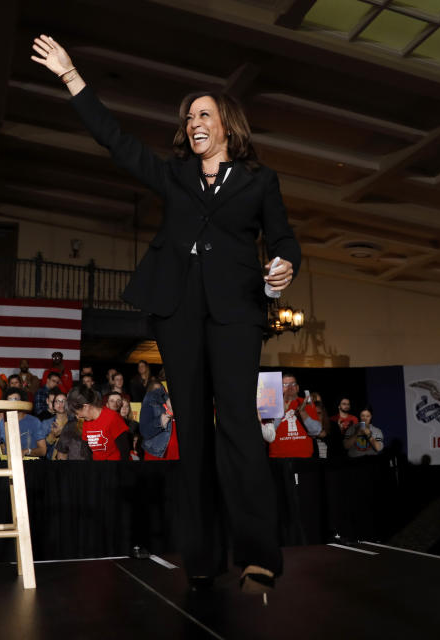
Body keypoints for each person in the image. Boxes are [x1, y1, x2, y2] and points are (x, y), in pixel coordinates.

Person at [33, 34, 300, 593]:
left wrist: (283, 268)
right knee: (192, 436)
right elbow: (117, 142)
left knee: (239, 427)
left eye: (205, 113)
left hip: (235, 314)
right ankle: (201, 558)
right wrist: (71, 78)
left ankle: (259, 555)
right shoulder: (176, 175)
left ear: (227, 124)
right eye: (189, 116)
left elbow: (283, 240)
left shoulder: (259, 180)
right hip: (178, 313)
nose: (194, 121)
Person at [65, 385, 130, 461]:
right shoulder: (86, 421)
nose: (78, 416)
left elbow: (125, 450)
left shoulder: (112, 418)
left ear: (86, 407)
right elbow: (86, 451)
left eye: (77, 413)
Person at [265, 375, 321, 458]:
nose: (290, 387)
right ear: (280, 388)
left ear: (297, 388)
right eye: (285, 385)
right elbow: (268, 434)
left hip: (304, 456)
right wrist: (280, 412)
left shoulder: (307, 404)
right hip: (278, 457)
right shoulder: (272, 405)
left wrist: (303, 412)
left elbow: (315, 431)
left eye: (293, 384)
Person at [0, 388, 49, 458]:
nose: (13, 403)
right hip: (9, 463)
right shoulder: (2, 422)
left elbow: (43, 451)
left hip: (30, 463)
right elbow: (3, 449)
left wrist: (26, 451)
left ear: (22, 402)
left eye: (16, 399)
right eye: (10, 400)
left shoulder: (33, 421)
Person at [138, 381, 179, 461]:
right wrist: (163, 419)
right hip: (157, 455)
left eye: (161, 389)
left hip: (176, 454)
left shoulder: (171, 401)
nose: (158, 392)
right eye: (155, 389)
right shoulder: (150, 403)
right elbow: (145, 432)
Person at [42, 391, 69, 460]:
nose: (61, 404)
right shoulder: (46, 423)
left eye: (63, 401)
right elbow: (42, 449)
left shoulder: (73, 422)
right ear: (53, 405)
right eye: (57, 401)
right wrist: (52, 436)